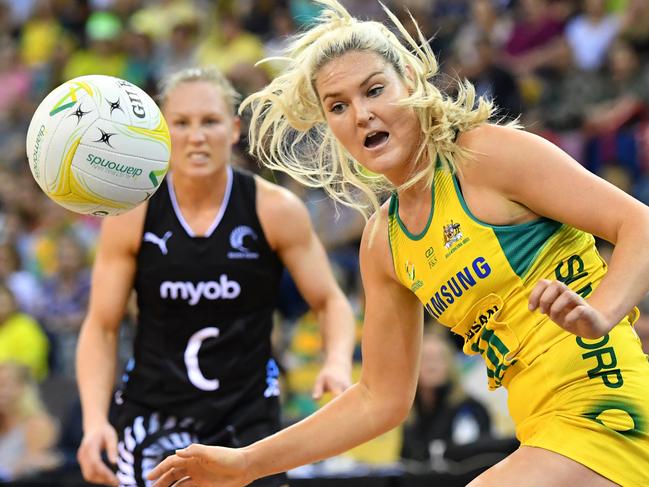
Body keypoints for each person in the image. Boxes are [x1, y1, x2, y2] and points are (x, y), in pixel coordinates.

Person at [148, 1, 649, 486]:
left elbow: (639, 224)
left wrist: (601, 312)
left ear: (410, 81)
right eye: (339, 106)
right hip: (543, 432)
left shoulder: (484, 155)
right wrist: (248, 463)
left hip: (609, 410)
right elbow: (379, 399)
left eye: (374, 90)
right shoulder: (383, 244)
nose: (361, 114)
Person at [76, 66, 356, 487]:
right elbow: (100, 326)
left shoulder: (274, 209)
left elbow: (330, 300)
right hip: (152, 412)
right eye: (182, 123)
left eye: (210, 121)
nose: (197, 135)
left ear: (234, 128)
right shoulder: (132, 213)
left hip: (246, 418)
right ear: (161, 131)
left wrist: (335, 360)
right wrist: (95, 420)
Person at [0, 361, 60, 481]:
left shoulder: (38, 424)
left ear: (23, 388)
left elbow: (37, 464)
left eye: (3, 385)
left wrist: (10, 471)